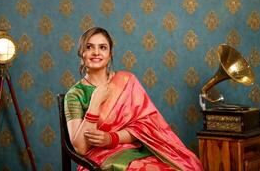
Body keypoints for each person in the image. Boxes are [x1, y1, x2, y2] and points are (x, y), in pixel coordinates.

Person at [64, 27, 203, 171]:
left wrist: (111, 138)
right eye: (89, 47)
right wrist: (95, 103)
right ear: (81, 52)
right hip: (99, 158)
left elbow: (144, 127)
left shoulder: (127, 81)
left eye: (103, 47)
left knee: (185, 165)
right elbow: (80, 148)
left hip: (135, 150)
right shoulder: (74, 95)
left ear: (110, 54)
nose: (96, 52)